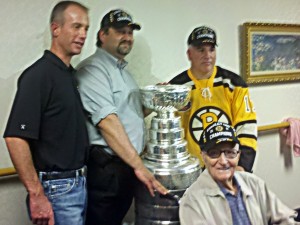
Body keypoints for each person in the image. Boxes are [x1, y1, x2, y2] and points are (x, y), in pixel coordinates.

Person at [75, 9, 168, 225]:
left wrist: (159, 100)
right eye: (120, 32)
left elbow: (132, 115)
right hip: (108, 170)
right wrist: (139, 166)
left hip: (125, 167)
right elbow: (108, 122)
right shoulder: (93, 70)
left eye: (130, 32)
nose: (127, 37)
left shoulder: (123, 72)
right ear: (102, 35)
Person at [3, 1, 90, 225]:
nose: (82, 34)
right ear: (56, 29)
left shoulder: (68, 74)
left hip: (76, 183)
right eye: (76, 27)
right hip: (57, 189)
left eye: (86, 29)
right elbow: (15, 137)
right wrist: (37, 194)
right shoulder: (39, 75)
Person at [169, 26, 257, 172]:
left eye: (211, 49)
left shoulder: (234, 84)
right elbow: (173, 134)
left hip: (229, 166)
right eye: (201, 49)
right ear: (189, 54)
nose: (207, 55)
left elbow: (246, 126)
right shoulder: (176, 87)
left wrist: (242, 165)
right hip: (192, 171)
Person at [179, 122, 299, 225]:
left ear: (238, 155)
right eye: (214, 153)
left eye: (230, 153)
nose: (223, 161)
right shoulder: (192, 200)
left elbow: (285, 218)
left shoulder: (253, 183)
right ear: (203, 157)